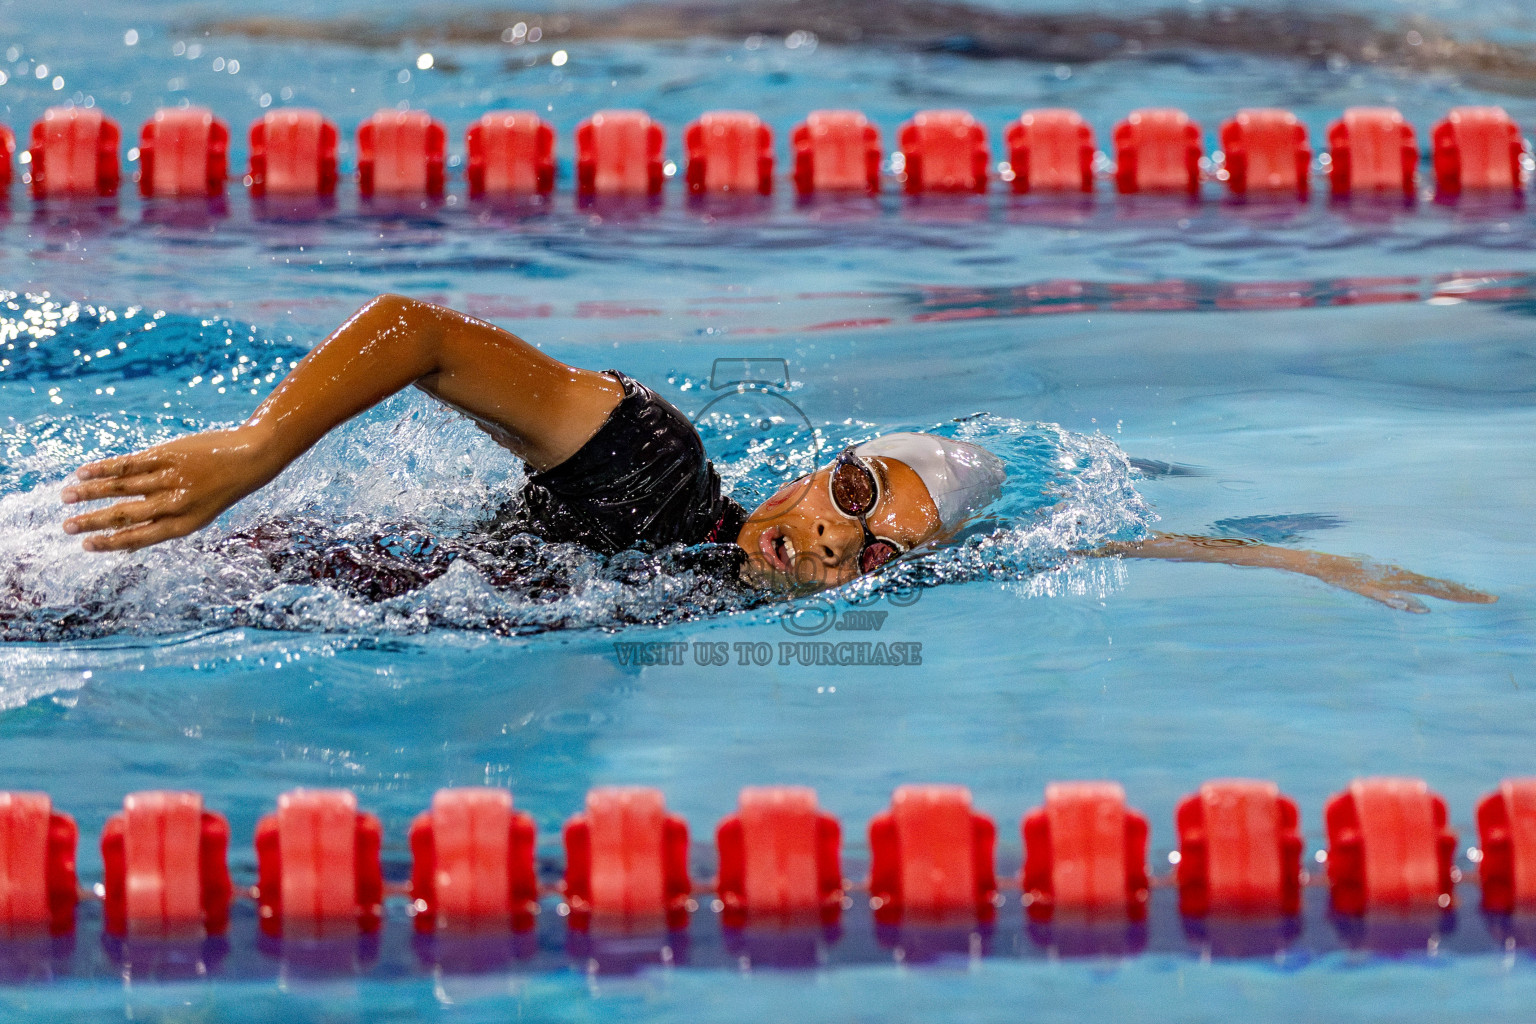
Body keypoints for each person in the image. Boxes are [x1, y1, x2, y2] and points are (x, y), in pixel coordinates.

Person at [60, 295, 1495, 613]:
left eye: (884, 548)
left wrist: (1309, 556)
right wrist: (254, 452)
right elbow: (419, 333)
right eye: (857, 497)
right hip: (198, 568)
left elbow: (1071, 543)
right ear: (820, 466)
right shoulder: (656, 472)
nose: (843, 539)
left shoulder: (775, 588)